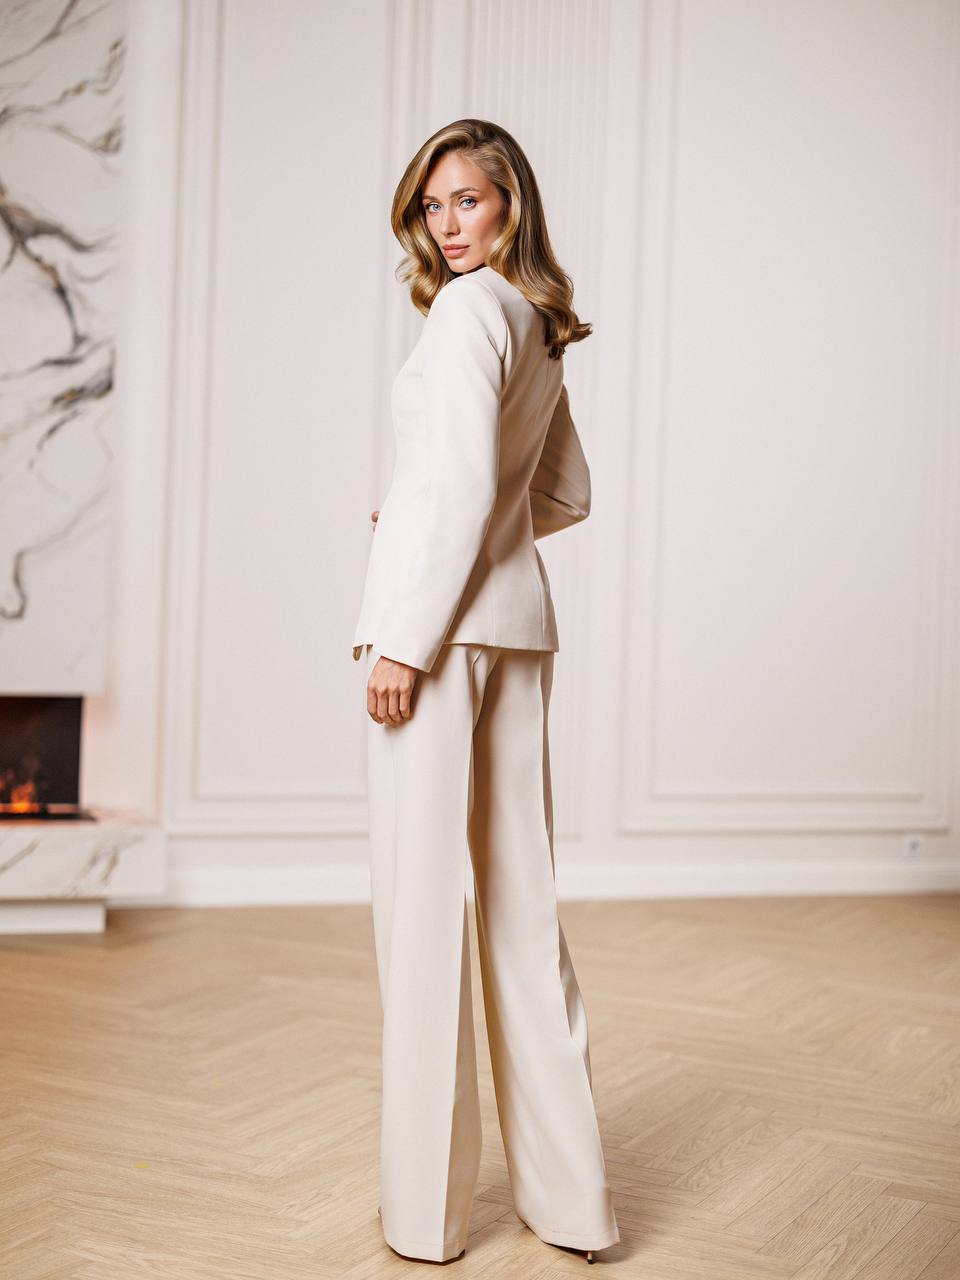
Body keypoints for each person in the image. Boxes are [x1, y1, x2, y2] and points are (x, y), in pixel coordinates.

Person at [352, 118, 619, 1265]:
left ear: (512, 202)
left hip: (441, 637)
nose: (448, 225)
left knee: (422, 921)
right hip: (515, 632)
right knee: (522, 911)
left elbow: (466, 483)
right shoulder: (537, 322)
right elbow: (560, 492)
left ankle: (426, 1219)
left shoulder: (466, 314)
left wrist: (404, 632)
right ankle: (573, 1207)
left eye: (468, 200)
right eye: (433, 206)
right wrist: (426, 514)